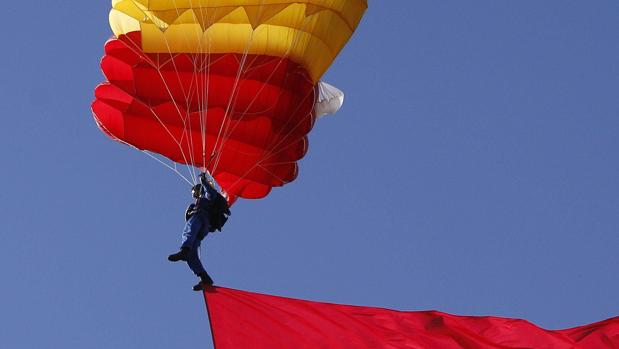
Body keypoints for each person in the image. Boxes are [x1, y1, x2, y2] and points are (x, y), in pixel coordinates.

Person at [168, 172, 230, 291]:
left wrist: (204, 181)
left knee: (188, 231)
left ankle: (184, 250)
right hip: (203, 228)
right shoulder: (198, 201)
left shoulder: (207, 196)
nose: (194, 195)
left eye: (194, 192)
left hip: (201, 218)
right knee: (192, 255)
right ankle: (204, 277)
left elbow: (211, 193)